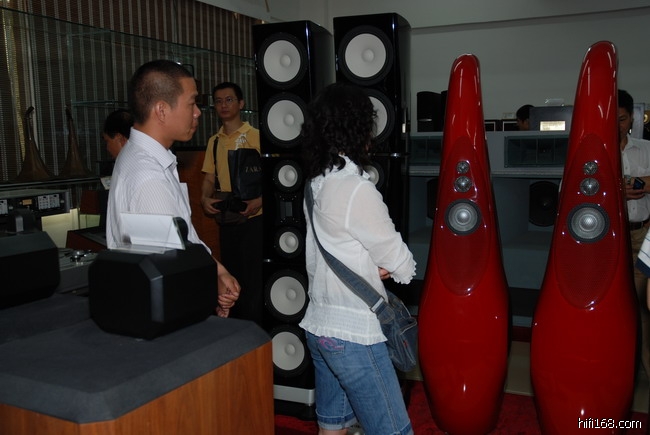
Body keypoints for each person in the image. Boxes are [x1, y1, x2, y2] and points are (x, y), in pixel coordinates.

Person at [299, 82, 416, 435]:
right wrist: (383, 266)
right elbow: (402, 265)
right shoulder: (356, 189)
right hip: (353, 333)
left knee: (332, 428)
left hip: (319, 326)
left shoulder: (316, 182)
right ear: (359, 127)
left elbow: (336, 247)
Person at [106, 59, 240, 317]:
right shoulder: (148, 176)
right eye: (191, 103)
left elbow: (182, 236)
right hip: (165, 314)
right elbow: (173, 262)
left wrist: (217, 270)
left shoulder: (150, 159)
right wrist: (209, 290)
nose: (198, 112)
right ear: (162, 110)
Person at [200, 82, 263, 325]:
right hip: (228, 220)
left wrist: (259, 201)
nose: (223, 105)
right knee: (230, 277)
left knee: (254, 280)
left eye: (229, 100)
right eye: (218, 101)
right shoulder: (214, 141)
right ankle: (236, 329)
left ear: (241, 103)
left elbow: (274, 177)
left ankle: (257, 329)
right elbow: (209, 178)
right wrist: (204, 198)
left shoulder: (256, 136)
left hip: (255, 220)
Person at [620, 89, 650, 378]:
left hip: (643, 234)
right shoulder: (591, 152)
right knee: (613, 302)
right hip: (608, 240)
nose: (616, 125)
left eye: (621, 119)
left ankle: (645, 365)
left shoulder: (645, 149)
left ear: (631, 118)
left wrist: (640, 183)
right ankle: (618, 365)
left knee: (643, 303)